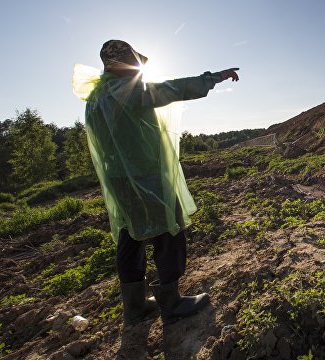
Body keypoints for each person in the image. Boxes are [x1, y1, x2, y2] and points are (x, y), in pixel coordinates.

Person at [73, 39, 239, 347]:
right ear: (122, 61)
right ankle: (171, 303)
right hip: (143, 176)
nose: (138, 66)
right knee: (168, 229)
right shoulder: (125, 90)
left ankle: (135, 308)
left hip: (119, 179)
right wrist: (213, 77)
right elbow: (172, 89)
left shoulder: (96, 96)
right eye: (133, 59)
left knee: (131, 234)